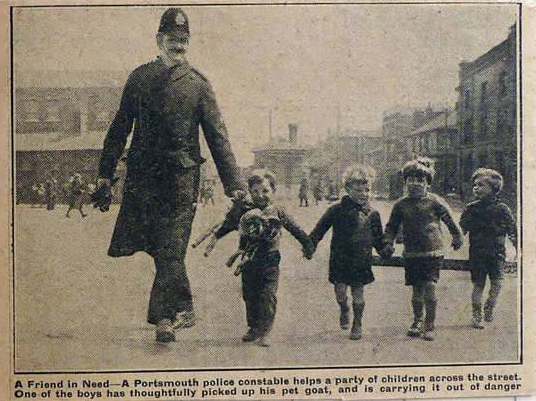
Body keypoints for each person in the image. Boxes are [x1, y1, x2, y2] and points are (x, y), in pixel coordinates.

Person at [94, 8, 244, 343]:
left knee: (171, 246)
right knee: (159, 248)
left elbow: (218, 136)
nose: (178, 45)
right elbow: (120, 127)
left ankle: (165, 317)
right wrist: (105, 174)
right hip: (143, 180)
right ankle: (181, 307)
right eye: (172, 39)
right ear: (159, 39)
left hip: (181, 179)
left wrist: (235, 185)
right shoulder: (139, 78)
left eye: (183, 40)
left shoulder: (198, 85)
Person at [205, 170, 313, 347]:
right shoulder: (245, 210)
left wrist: (308, 244)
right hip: (248, 259)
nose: (260, 195)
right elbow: (230, 224)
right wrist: (216, 236)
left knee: (268, 294)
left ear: (273, 191)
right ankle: (253, 327)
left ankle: (265, 330)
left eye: (265, 191)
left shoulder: (277, 211)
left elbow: (295, 228)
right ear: (249, 192)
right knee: (250, 294)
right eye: (255, 192)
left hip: (270, 259)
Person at [383, 158, 463, 341]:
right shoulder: (401, 205)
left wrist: (457, 236)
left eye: (420, 180)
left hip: (432, 252)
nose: (415, 184)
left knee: (430, 287)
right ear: (405, 182)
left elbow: (450, 220)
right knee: (417, 291)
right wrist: (388, 243)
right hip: (412, 254)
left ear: (428, 183)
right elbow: (391, 227)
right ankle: (417, 320)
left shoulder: (435, 202)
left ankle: (430, 323)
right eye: (411, 180)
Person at [309, 165, 386, 340]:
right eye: (358, 190)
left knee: (358, 293)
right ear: (348, 189)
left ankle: (357, 323)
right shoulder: (336, 210)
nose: (363, 194)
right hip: (340, 259)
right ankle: (344, 308)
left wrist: (384, 249)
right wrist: (310, 244)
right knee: (340, 291)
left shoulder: (373, 214)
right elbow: (319, 229)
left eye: (367, 190)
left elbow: (378, 238)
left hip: (361, 259)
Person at [459, 168, 517, 329]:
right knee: (478, 285)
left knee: (497, 283)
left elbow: (512, 229)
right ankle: (477, 315)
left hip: (497, 254)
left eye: (481, 185)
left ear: (494, 188)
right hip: (477, 254)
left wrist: (518, 246)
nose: (476, 188)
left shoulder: (503, 209)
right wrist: (457, 239)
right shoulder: (471, 208)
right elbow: (461, 229)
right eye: (474, 185)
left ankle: (489, 307)